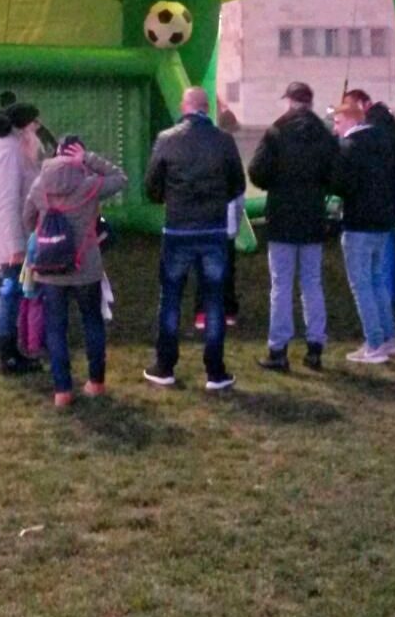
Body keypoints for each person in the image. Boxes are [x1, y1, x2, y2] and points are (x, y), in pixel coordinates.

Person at [143, 87, 246, 391]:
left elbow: (151, 187)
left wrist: (172, 199)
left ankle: (165, 366)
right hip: (213, 230)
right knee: (214, 300)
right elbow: (237, 184)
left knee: (171, 298)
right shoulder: (223, 140)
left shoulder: (166, 139)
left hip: (178, 229)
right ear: (207, 108)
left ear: (184, 106)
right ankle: (215, 372)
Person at [24, 134, 127, 408]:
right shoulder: (89, 185)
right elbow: (120, 178)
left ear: (56, 153)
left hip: (50, 270)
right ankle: (96, 382)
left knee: (56, 328)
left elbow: (27, 218)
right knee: (92, 321)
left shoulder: (39, 185)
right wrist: (89, 158)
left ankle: (62, 390)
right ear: (76, 153)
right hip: (86, 267)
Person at [249, 81, 338, 373]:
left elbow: (257, 171)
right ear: (310, 103)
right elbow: (335, 175)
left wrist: (276, 181)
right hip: (313, 217)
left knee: (281, 286)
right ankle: (315, 348)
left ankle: (279, 349)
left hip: (283, 217)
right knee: (312, 284)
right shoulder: (325, 135)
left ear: (289, 101)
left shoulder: (277, 131)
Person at [332, 97, 395, 363]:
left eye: (338, 122)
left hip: (359, 223)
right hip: (382, 222)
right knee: (377, 282)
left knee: (362, 285)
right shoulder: (384, 142)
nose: (335, 128)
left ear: (351, 120)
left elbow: (341, 185)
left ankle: (374, 344)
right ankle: (389, 338)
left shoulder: (350, 146)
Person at [0, 102, 44, 376]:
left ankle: (11, 351)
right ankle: (7, 355)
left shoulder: (13, 149)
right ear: (23, 126)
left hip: (13, 234)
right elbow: (8, 201)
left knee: (14, 292)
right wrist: (15, 247)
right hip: (11, 239)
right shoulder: (10, 153)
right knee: (10, 293)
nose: (38, 127)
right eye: (34, 122)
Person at [344, 88, 395, 301]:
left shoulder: (374, 128)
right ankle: (388, 292)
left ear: (362, 105)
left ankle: (386, 294)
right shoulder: (386, 122)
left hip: (380, 195)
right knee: (384, 245)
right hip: (391, 191)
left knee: (381, 250)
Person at [192, 190, 243, 331]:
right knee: (226, 267)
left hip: (201, 221)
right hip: (225, 221)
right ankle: (226, 308)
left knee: (203, 267)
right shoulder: (230, 167)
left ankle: (204, 309)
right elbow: (238, 192)